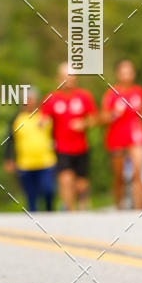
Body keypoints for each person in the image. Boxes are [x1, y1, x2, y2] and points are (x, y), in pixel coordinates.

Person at [41, 63, 97, 210]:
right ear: (58, 78)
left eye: (71, 76)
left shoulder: (84, 96)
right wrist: (42, 123)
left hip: (81, 147)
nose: (68, 80)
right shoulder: (51, 98)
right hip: (61, 147)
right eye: (65, 76)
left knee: (81, 184)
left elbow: (93, 119)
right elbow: (43, 117)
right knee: (66, 179)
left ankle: (83, 207)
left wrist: (83, 123)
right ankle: (69, 211)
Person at [100, 60, 142, 209]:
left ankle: (139, 209)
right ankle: (119, 207)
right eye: (123, 72)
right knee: (119, 177)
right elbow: (102, 118)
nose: (127, 75)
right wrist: (113, 114)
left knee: (137, 174)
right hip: (116, 138)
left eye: (129, 72)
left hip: (135, 137)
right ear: (118, 74)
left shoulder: (139, 91)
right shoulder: (111, 94)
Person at [3, 87, 56, 212]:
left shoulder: (44, 117)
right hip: (25, 163)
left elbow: (56, 134)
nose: (29, 102)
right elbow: (9, 139)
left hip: (46, 161)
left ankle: (50, 213)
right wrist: (8, 158)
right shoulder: (17, 119)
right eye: (26, 99)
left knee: (48, 190)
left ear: (36, 100)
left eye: (31, 99)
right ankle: (34, 220)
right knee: (31, 195)